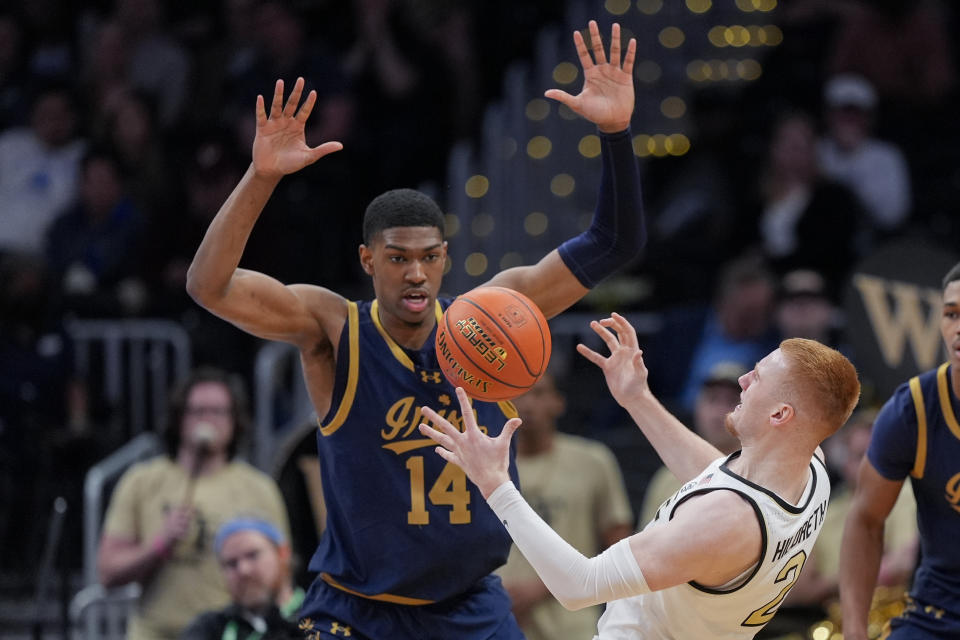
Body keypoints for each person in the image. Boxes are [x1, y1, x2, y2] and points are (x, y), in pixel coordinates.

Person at [186, 19, 646, 640]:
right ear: (368, 260)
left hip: (470, 605)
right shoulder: (333, 328)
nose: (416, 274)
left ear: (446, 258)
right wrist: (261, 176)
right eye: (398, 258)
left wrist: (615, 131)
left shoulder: (495, 316)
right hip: (356, 608)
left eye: (429, 257)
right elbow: (208, 286)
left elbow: (615, 242)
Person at [419, 312, 860, 638]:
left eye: (758, 377)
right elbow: (717, 476)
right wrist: (638, 398)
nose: (743, 379)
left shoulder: (724, 522)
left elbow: (580, 585)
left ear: (782, 414)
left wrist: (495, 483)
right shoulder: (810, 466)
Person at [98, 367, 290, 640]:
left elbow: (282, 577)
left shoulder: (259, 488)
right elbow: (107, 573)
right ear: (179, 418)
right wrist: (158, 545)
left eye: (219, 412)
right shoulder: (141, 481)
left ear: (235, 420)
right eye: (198, 411)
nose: (208, 420)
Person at [839, 261, 960, 639]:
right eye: (951, 314)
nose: (959, 328)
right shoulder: (915, 411)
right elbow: (865, 521)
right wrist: (855, 631)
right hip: (938, 616)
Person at [498, 372, 633, 640]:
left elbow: (621, 548)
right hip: (500, 615)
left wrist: (544, 586)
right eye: (519, 393)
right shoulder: (489, 465)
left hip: (573, 624)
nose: (527, 405)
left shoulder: (593, 461)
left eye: (538, 393)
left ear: (558, 402)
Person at [640, 360, 744, 526]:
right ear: (698, 407)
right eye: (712, 399)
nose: (719, 412)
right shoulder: (667, 477)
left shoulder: (759, 475)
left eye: (731, 401)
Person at [817, 74, 911, 241]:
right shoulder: (815, 150)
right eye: (843, 113)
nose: (849, 121)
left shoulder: (887, 156)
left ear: (869, 118)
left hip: (868, 243)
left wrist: (852, 157)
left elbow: (892, 217)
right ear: (828, 115)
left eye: (856, 114)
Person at [180, 517, 304, 640]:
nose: (243, 570)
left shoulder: (315, 617)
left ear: (283, 553)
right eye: (231, 563)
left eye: (253, 555)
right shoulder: (209, 628)